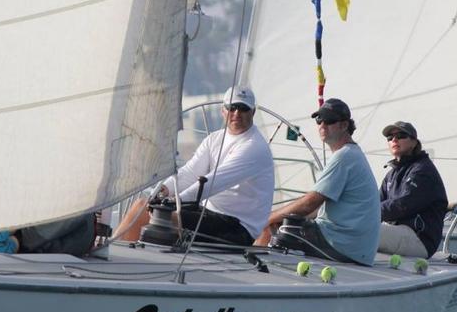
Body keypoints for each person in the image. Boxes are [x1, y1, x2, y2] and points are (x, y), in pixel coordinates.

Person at [114, 86, 274, 247]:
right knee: (142, 204)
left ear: (252, 112)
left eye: (243, 108)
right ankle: (115, 253)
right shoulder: (214, 139)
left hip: (237, 227)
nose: (237, 113)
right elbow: (191, 172)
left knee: (159, 215)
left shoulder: (255, 147)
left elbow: (213, 182)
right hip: (209, 214)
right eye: (232, 107)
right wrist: (164, 189)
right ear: (223, 111)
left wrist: (172, 203)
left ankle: (122, 258)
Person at [264, 98, 380, 265]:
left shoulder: (344, 157)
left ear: (344, 125)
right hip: (356, 247)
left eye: (329, 120)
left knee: (277, 229)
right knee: (282, 221)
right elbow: (316, 207)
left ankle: (256, 275)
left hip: (343, 246)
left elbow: (309, 204)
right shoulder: (352, 154)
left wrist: (268, 218)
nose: (322, 125)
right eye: (319, 120)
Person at [378, 121, 448, 259]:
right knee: (353, 227)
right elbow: (377, 202)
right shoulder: (391, 175)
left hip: (419, 239)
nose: (394, 140)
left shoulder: (423, 171)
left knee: (361, 231)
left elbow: (403, 204)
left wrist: (366, 213)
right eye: (390, 138)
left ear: (414, 142)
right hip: (399, 232)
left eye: (401, 135)